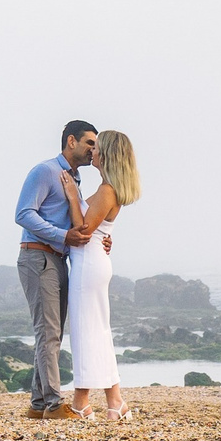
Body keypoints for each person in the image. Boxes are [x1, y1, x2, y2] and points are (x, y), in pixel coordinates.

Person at [14, 122, 104, 420]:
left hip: (58, 260)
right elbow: (23, 214)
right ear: (71, 141)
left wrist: (102, 237)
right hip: (38, 258)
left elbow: (80, 222)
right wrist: (62, 236)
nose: (94, 149)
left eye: (95, 145)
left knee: (52, 334)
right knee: (48, 332)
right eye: (89, 143)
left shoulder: (73, 179)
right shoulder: (46, 171)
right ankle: (54, 404)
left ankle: (38, 403)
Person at [58, 130, 140, 420]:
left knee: (84, 331)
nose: (91, 151)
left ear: (106, 155)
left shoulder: (107, 191)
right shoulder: (108, 188)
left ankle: (81, 403)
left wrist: (71, 196)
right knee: (98, 331)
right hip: (93, 262)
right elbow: (98, 228)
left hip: (89, 264)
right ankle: (115, 401)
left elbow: (82, 231)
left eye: (96, 147)